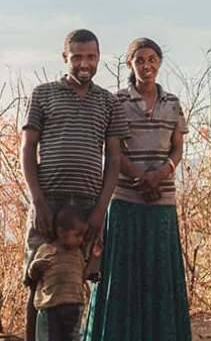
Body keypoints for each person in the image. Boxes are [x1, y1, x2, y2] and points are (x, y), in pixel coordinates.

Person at [21, 29, 128, 341]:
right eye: (78, 56)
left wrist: (100, 210)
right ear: (65, 57)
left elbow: (114, 159)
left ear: (98, 57)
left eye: (91, 57)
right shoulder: (42, 93)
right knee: (39, 278)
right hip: (49, 200)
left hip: (87, 206)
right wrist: (38, 201)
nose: (85, 63)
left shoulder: (108, 102)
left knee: (80, 279)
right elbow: (27, 148)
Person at [84, 37, 192, 341]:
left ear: (159, 62)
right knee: (121, 274)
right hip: (125, 199)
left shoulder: (172, 102)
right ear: (130, 64)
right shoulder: (116, 102)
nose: (147, 65)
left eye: (152, 59)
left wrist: (160, 175)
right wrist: (141, 178)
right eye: (140, 60)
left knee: (159, 273)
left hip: (162, 200)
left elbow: (178, 149)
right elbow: (113, 150)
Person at [29, 205, 91, 341]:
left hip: (74, 306)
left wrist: (95, 257)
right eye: (77, 235)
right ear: (61, 232)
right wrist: (35, 266)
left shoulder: (78, 254)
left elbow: (84, 275)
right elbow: (33, 276)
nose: (81, 240)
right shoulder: (45, 250)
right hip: (50, 306)